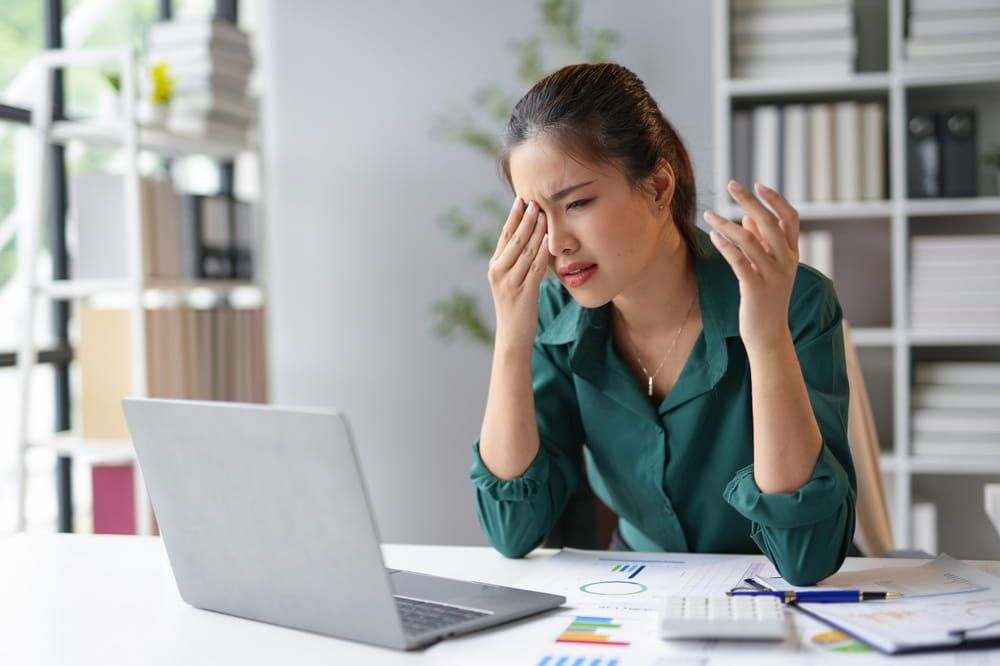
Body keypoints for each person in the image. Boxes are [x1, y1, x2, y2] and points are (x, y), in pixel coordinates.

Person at [469, 63, 855, 586]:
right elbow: (512, 531)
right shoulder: (553, 315)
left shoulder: (791, 300)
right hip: (637, 591)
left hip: (774, 591)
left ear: (656, 187)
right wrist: (512, 340)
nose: (556, 243)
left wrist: (766, 339)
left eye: (577, 203)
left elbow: (805, 559)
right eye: (536, 215)